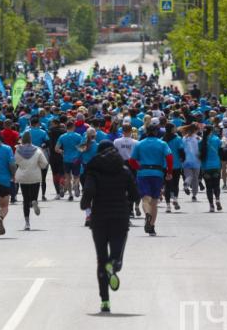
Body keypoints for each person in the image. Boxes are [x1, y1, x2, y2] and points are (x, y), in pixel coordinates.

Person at [81, 140, 140, 314]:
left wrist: (85, 204)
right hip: (120, 217)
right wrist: (127, 200)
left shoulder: (93, 171)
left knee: (101, 259)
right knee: (116, 254)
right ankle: (113, 265)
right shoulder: (124, 170)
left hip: (99, 218)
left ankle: (105, 301)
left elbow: (89, 190)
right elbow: (135, 195)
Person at [128, 119, 172, 236]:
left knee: (145, 199)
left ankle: (147, 214)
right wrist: (169, 172)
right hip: (157, 173)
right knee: (154, 201)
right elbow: (169, 157)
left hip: (143, 173)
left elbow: (131, 160)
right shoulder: (162, 143)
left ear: (146, 132)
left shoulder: (139, 144)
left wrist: (138, 168)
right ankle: (151, 226)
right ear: (156, 132)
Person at [14, 131, 49, 230]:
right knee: (34, 195)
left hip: (23, 176)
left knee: (25, 199)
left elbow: (15, 161)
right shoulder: (37, 150)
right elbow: (44, 163)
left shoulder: (18, 149)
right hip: (35, 176)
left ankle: (27, 222)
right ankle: (34, 201)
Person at [55, 120, 84, 200]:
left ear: (66, 127)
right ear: (73, 127)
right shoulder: (78, 136)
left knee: (67, 177)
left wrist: (62, 151)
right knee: (76, 176)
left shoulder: (62, 136)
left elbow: (56, 149)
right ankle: (76, 184)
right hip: (76, 159)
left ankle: (70, 194)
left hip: (66, 159)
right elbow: (82, 148)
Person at [199, 125, 223, 213]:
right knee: (216, 185)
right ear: (211, 131)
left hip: (205, 167)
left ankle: (211, 205)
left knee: (208, 187)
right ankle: (217, 199)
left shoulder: (201, 141)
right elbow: (221, 149)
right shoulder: (216, 139)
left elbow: (199, 153)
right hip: (216, 166)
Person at [162, 123, 183, 213]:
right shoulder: (178, 139)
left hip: (165, 165)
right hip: (176, 165)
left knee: (167, 185)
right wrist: (183, 159)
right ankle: (175, 199)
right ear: (171, 129)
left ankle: (168, 206)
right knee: (175, 184)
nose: (176, 129)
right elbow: (181, 150)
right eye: (174, 127)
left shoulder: (162, 140)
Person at [180, 124, 201, 201]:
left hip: (186, 160)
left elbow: (181, 148)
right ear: (195, 130)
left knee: (188, 175)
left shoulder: (184, 138)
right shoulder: (198, 138)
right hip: (196, 160)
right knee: (195, 178)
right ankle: (194, 195)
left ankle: (186, 183)